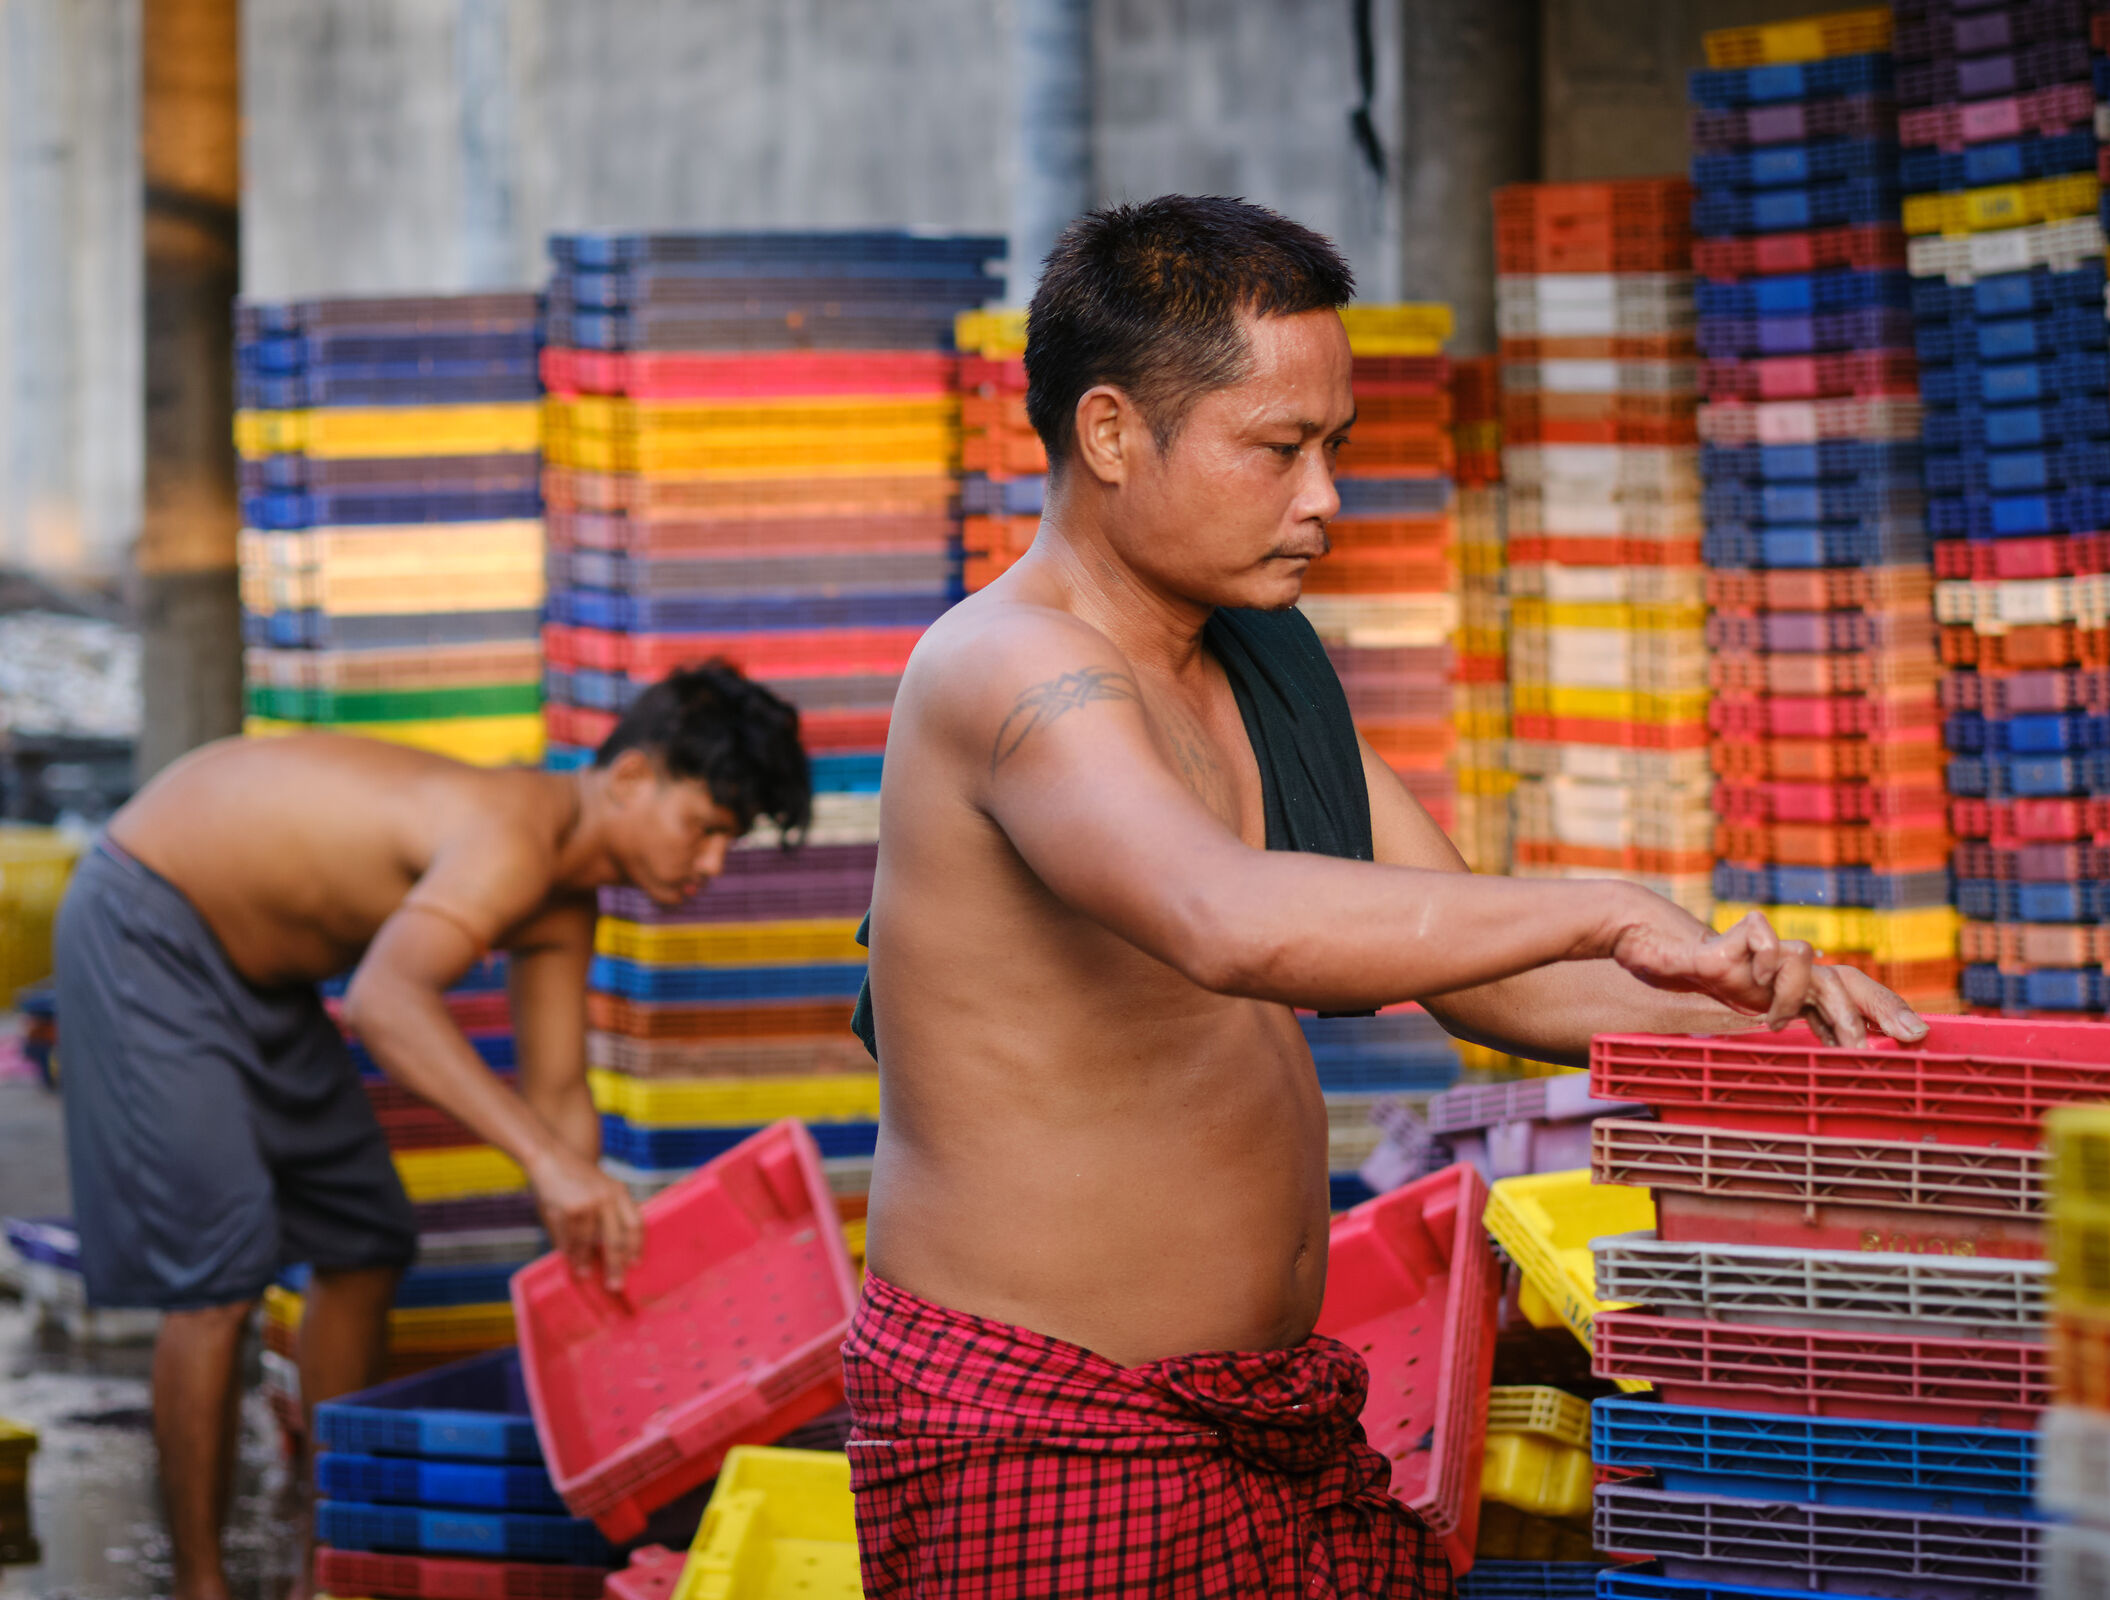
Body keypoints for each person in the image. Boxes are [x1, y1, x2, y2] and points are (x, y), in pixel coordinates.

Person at [844, 194, 1930, 1599]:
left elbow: (1496, 977)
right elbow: (1226, 918)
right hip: (1049, 1427)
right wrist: (1604, 902)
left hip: (1267, 1411)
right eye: (1278, 451)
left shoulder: (1255, 663)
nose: (1324, 503)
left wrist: (1766, 1007)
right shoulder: (1006, 673)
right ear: (1111, 434)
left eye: (1333, 451)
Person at [51, 661, 809, 1600]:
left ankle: (328, 1556)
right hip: (149, 919)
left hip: (263, 979)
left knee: (364, 1241)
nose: (711, 865)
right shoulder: (510, 834)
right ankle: (200, 1585)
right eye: (705, 830)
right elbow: (383, 999)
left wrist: (598, 1266)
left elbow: (559, 1095)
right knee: (219, 1272)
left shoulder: (567, 903)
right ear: (628, 779)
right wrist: (542, 1162)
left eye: (729, 843)